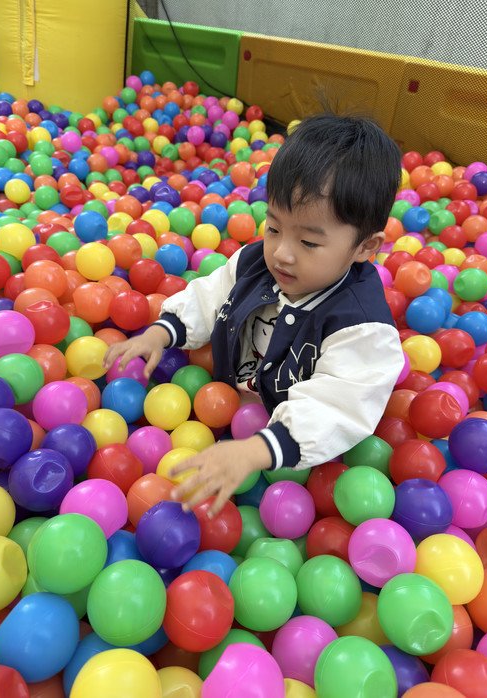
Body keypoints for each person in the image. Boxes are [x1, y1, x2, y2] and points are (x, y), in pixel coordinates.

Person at [103, 112, 405, 517]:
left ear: (366, 247)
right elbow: (212, 294)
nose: (282, 253)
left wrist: (255, 450)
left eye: (309, 242)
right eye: (274, 228)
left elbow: (340, 404)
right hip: (220, 406)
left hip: (286, 464)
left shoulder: (362, 327)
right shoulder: (256, 263)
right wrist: (162, 331)